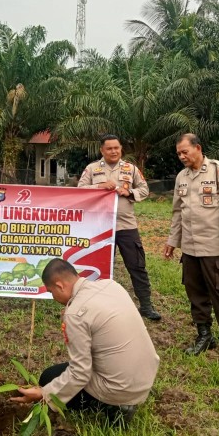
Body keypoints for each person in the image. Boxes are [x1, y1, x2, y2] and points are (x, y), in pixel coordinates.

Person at [12, 259, 159, 425]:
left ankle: (114, 407)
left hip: (119, 388)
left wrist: (44, 393)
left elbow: (80, 373)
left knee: (48, 377)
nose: (53, 297)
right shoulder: (111, 286)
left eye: (52, 292)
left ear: (60, 286)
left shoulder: (75, 313)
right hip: (144, 376)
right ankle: (126, 396)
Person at [162, 133, 219, 368]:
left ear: (197, 148)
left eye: (184, 152)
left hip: (214, 246)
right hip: (190, 248)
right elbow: (178, 212)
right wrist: (172, 241)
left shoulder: (218, 171)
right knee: (195, 293)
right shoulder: (182, 177)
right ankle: (204, 335)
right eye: (178, 153)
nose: (181, 157)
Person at [77, 134, 161, 320]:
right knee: (101, 268)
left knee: (137, 266)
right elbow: (80, 190)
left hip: (126, 225)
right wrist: (99, 186)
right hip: (99, 227)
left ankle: (146, 306)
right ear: (102, 150)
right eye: (109, 148)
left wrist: (128, 191)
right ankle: (97, 307)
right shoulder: (92, 169)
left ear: (121, 148)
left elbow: (144, 189)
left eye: (117, 148)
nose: (114, 151)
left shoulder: (130, 169)